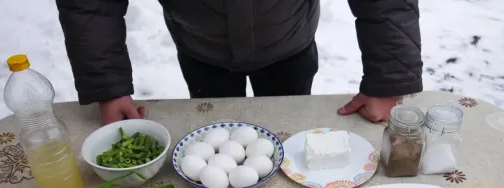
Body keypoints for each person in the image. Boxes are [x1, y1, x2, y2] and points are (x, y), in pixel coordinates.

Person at [55, 0, 422, 124]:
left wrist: (388, 80)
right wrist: (108, 85)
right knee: (213, 134)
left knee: (289, 138)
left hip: (288, 44)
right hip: (202, 49)